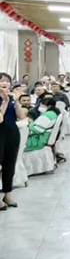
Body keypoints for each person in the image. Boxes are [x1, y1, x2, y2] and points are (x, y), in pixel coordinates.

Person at [0, 72, 27, 210]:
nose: (4, 83)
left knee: (9, 165)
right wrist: (4, 101)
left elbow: (21, 117)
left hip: (12, 134)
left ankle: (8, 194)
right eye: (1, 81)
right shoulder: (4, 100)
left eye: (7, 81)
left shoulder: (12, 98)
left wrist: (16, 101)